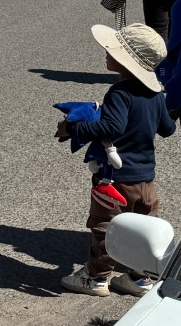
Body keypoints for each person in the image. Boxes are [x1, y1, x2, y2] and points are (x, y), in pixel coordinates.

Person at [56, 22, 174, 297]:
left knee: (106, 228)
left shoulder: (119, 93)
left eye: (112, 50)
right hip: (146, 179)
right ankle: (140, 278)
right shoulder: (156, 95)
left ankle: (96, 278)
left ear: (127, 61)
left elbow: (112, 127)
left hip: (114, 179)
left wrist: (71, 128)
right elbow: (168, 129)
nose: (106, 52)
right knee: (142, 228)